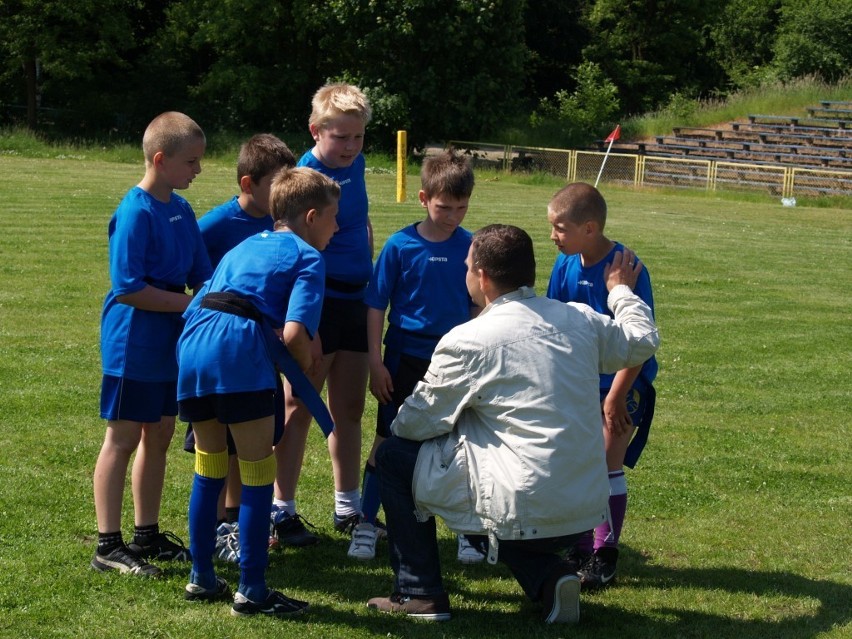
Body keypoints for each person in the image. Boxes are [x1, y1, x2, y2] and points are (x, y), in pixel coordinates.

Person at [366, 224, 659, 624]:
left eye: (468, 267)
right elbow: (641, 340)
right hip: (585, 512)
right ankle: (550, 578)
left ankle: (419, 593)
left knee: (395, 458)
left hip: (523, 505)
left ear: (482, 278)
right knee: (488, 473)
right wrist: (621, 291)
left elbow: (414, 424)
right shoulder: (580, 320)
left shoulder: (469, 339)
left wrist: (453, 424)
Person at [177, 167, 339, 616]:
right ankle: (252, 589)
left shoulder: (244, 245)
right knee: (255, 473)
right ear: (311, 217)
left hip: (193, 346)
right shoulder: (309, 257)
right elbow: (293, 336)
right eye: (333, 217)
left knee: (209, 465)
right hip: (237, 353)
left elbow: (206, 297)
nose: (337, 227)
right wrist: (306, 364)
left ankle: (202, 578)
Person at [91, 111, 213, 577]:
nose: (197, 170)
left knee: (159, 433)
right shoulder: (134, 211)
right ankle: (108, 544)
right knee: (122, 438)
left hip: (169, 341)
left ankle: (146, 535)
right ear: (161, 160)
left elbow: (202, 276)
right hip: (133, 341)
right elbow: (127, 286)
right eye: (191, 162)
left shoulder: (182, 209)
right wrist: (188, 305)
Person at [351, 149, 477, 561]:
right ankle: (368, 524)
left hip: (454, 362)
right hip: (403, 357)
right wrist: (374, 361)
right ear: (423, 198)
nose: (453, 215)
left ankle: (466, 531)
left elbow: (481, 308)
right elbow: (376, 305)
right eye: (444, 206)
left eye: (461, 207)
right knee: (386, 442)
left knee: (458, 445)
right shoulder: (400, 245)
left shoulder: (472, 248)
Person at [183, 133, 297, 564]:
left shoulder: (279, 225)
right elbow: (192, 267)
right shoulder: (218, 224)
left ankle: (237, 524)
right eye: (276, 184)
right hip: (220, 348)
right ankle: (214, 534)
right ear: (249, 185)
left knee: (251, 442)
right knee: (215, 447)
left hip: (259, 350)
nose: (283, 194)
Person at [271, 82, 373, 547]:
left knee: (349, 408)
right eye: (341, 138)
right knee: (300, 407)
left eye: (358, 137)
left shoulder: (359, 165)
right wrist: (302, 321)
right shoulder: (302, 177)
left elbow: (360, 220)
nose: (351, 147)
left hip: (356, 298)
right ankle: (281, 509)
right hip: (318, 301)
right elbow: (285, 247)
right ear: (316, 130)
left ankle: (347, 507)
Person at [545, 182, 658, 590]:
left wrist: (615, 394)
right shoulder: (565, 264)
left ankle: (604, 553)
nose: (553, 236)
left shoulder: (626, 267)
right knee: (577, 462)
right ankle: (578, 544)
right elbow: (553, 321)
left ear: (589, 228)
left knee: (607, 464)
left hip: (621, 385)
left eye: (560, 228)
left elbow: (641, 341)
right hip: (579, 382)